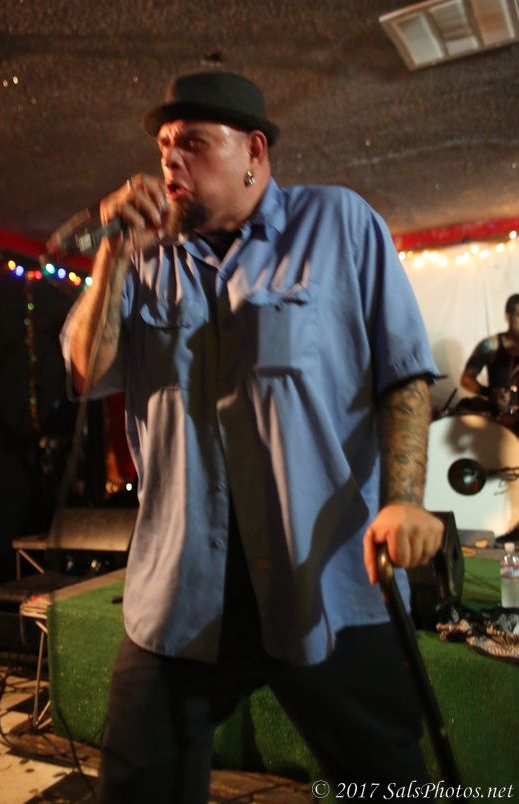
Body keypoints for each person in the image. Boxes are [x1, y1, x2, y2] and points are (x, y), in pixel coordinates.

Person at [61, 70, 444, 803]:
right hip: (184, 589)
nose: (169, 159)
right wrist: (112, 255)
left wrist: (403, 498)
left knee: (391, 785)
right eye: (164, 145)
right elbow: (85, 370)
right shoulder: (143, 258)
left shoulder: (339, 225)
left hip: (324, 578)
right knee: (136, 789)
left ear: (254, 152)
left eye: (192, 142)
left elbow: (404, 375)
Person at [459, 294, 519, 427]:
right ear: (508, 316)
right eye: (518, 316)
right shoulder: (490, 345)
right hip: (496, 416)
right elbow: (466, 379)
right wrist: (490, 394)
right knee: (466, 408)